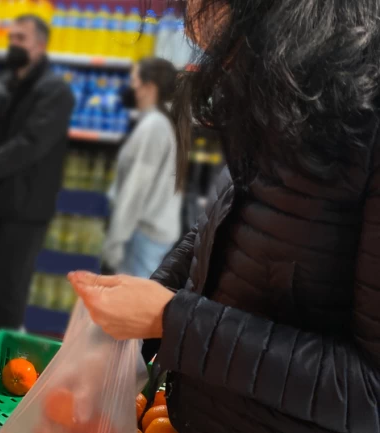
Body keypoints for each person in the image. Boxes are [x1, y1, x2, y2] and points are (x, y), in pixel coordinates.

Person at [68, 0, 380, 432]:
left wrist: (173, 319)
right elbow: (226, 224)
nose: (187, 19)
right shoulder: (280, 82)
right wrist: (147, 307)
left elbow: (368, 391)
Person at [0, 15, 75, 330]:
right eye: (11, 38)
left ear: (40, 46)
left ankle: (10, 363)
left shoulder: (55, 91)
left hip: (26, 209)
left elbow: (30, 144)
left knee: (10, 293)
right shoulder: (9, 84)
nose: (13, 45)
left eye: (21, 39)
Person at [103, 58, 182, 279]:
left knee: (129, 307)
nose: (132, 86)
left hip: (141, 236)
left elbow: (135, 190)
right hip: (147, 234)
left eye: (135, 80)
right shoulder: (158, 122)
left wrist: (114, 245)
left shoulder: (154, 127)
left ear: (150, 87)